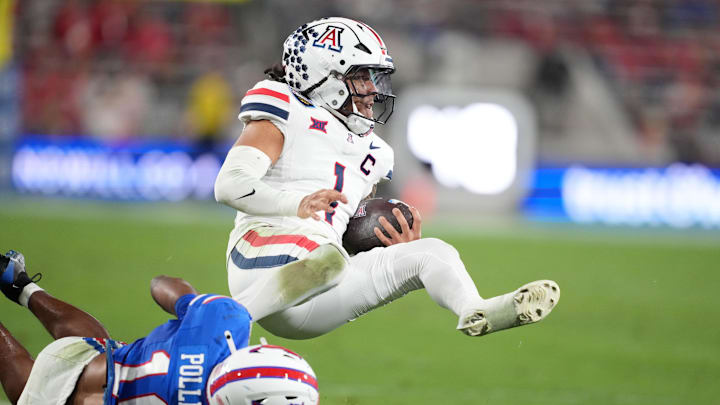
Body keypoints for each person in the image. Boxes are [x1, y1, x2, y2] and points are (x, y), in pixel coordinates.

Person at [214, 17, 561, 340]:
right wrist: (295, 203)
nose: (371, 89)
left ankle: (475, 309)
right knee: (329, 259)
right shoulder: (286, 106)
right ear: (324, 76)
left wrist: (385, 238)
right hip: (263, 258)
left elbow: (347, 224)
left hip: (319, 281)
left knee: (431, 253)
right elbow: (230, 184)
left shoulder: (375, 152)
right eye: (361, 76)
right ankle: (227, 320)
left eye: (373, 78)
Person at [0, 250, 319, 405]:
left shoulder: (225, 323)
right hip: (65, 396)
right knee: (29, 391)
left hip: (94, 356)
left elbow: (160, 285)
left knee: (101, 344)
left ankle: (20, 286)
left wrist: (190, 303)